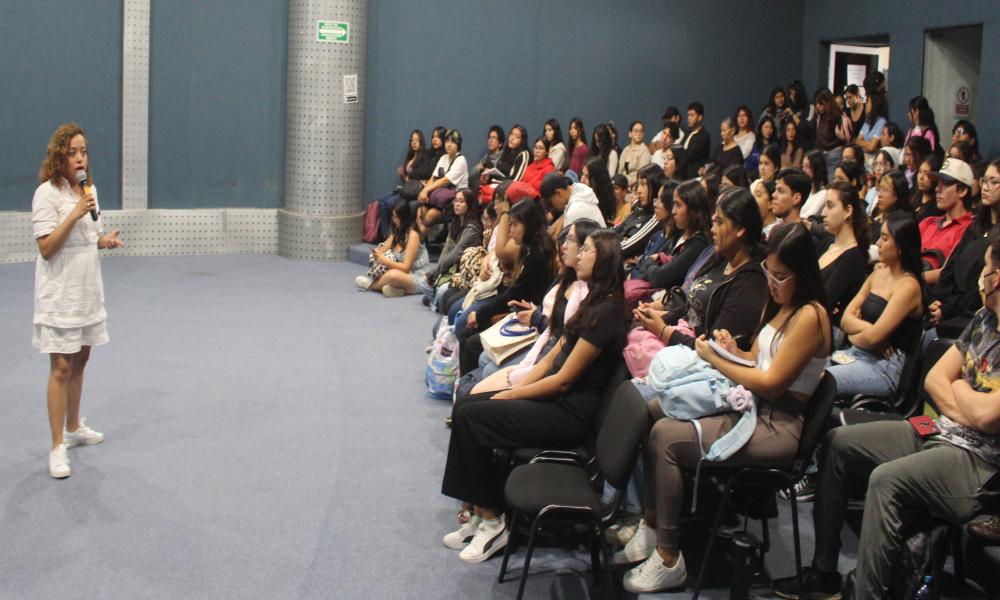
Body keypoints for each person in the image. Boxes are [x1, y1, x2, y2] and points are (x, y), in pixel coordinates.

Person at [772, 234, 1000, 599]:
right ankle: (824, 572)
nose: (981, 275)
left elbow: (988, 418)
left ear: (996, 276)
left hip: (983, 466)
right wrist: (965, 398)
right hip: (943, 430)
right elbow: (935, 379)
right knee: (838, 442)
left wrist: (958, 392)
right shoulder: (984, 319)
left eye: (986, 267)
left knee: (886, 480)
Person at [620, 223, 831, 593]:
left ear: (803, 273)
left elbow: (771, 382)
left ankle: (669, 557)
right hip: (754, 407)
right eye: (770, 272)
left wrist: (715, 360)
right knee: (653, 410)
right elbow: (758, 359)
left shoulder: (811, 316)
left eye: (781, 276)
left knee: (666, 437)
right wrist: (733, 351)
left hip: (777, 426)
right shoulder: (784, 305)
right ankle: (652, 523)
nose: (772, 282)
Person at [440, 230, 627, 563]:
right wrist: (512, 390)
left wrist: (513, 396)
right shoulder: (591, 302)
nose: (578, 254)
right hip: (555, 401)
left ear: (604, 261)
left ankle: (493, 520)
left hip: (569, 415)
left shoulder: (608, 312)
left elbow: (563, 382)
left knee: (472, 416)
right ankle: (480, 514)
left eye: (586, 250)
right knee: (466, 404)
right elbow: (554, 357)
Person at [32, 123, 125, 478]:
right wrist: (73, 212)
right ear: (59, 156)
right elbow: (46, 248)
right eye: (72, 152)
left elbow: (90, 238)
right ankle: (57, 446)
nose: (79, 158)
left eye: (83, 151)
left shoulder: (90, 189)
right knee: (61, 366)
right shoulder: (47, 194)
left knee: (82, 360)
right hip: (60, 293)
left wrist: (106, 241)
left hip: (87, 290)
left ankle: (73, 427)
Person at [471, 219, 600, 392]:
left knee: (485, 367)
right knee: (481, 357)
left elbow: (561, 341)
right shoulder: (566, 278)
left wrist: (537, 318)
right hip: (541, 334)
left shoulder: (586, 294)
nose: (563, 250)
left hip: (544, 344)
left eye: (571, 241)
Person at [634, 187, 769, 352]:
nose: (713, 230)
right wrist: (660, 318)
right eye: (714, 222)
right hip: (680, 336)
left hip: (698, 360)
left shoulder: (750, 283)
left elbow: (713, 350)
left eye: (720, 223)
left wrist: (662, 330)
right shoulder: (721, 257)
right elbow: (690, 309)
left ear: (740, 229)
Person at [828, 212, 925, 397]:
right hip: (854, 352)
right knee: (803, 372)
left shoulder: (909, 286)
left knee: (820, 382)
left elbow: (873, 338)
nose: (878, 243)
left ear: (900, 247)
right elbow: (845, 320)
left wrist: (856, 334)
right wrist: (866, 332)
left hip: (883, 366)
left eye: (885, 238)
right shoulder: (878, 273)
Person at [928, 158, 1000, 336]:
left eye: (994, 182)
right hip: (950, 307)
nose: (986, 186)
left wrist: (948, 308)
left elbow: (984, 287)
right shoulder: (975, 227)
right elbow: (950, 268)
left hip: (975, 313)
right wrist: (937, 299)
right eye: (984, 180)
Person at [632, 179, 712, 290]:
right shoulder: (678, 236)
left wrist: (650, 262)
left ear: (693, 209)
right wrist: (651, 263)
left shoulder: (698, 245)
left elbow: (659, 277)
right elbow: (644, 267)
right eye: (673, 205)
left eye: (678, 205)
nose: (673, 211)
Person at [819, 181, 869, 329]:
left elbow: (824, 302)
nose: (823, 213)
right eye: (824, 206)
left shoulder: (852, 257)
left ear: (848, 211)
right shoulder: (828, 244)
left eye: (830, 206)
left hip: (828, 331)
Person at [421, 188, 484, 305]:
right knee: (423, 282)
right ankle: (435, 299)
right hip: (451, 267)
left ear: (469, 204)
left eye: (461, 201)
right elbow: (446, 251)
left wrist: (434, 274)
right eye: (455, 201)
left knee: (441, 292)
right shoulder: (455, 223)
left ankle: (435, 300)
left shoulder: (472, 229)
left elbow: (455, 255)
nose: (457, 204)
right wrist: (435, 273)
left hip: (462, 272)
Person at [919, 158, 975, 285]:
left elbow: (949, 273)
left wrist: (910, 278)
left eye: (944, 183)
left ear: (962, 190)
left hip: (933, 293)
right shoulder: (928, 222)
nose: (937, 189)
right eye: (937, 183)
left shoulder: (969, 230)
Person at [357, 201, 430, 297]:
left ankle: (371, 285)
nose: (393, 220)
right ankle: (397, 290)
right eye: (393, 216)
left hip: (418, 276)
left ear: (404, 218)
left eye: (396, 217)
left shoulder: (413, 235)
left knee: (393, 275)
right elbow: (384, 248)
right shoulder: (397, 232)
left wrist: (385, 261)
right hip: (404, 273)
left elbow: (406, 268)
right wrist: (376, 255)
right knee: (388, 272)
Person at [376, 129, 429, 240]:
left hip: (411, 192)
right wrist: (402, 175)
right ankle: (387, 235)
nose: (414, 143)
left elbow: (420, 176)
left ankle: (392, 236)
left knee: (390, 203)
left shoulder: (424, 157)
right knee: (381, 203)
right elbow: (407, 180)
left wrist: (407, 176)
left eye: (417, 140)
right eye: (412, 140)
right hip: (406, 189)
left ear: (421, 142)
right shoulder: (410, 156)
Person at [417, 129, 468, 233]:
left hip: (455, 202)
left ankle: (414, 243)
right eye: (447, 141)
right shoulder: (443, 158)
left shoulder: (461, 160)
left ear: (458, 144)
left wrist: (426, 191)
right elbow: (433, 178)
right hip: (441, 200)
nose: (449, 145)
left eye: (453, 142)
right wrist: (423, 192)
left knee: (431, 213)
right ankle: (421, 244)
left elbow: (444, 181)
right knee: (421, 210)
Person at [617, 164, 665, 260]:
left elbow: (625, 248)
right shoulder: (640, 209)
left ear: (655, 186)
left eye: (643, 184)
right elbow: (616, 229)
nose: (638, 190)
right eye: (638, 185)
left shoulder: (656, 218)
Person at [540, 172, 606, 238]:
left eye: (551, 203)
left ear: (558, 193)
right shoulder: (578, 192)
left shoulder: (575, 210)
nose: (552, 208)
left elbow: (567, 245)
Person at [504, 136, 554, 202]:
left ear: (546, 152)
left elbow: (546, 194)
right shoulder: (530, 166)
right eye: (536, 148)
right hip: (524, 199)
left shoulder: (549, 169)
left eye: (541, 148)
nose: (537, 151)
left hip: (537, 201)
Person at [580, 156, 616, 224]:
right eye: (582, 174)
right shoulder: (581, 195)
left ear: (597, 179)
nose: (582, 180)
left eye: (587, 176)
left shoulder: (603, 204)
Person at [862, 148, 897, 216]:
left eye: (882, 164)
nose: (877, 169)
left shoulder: (893, 193)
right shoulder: (871, 191)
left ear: (893, 166)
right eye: (876, 164)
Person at [619, 120, 652, 187]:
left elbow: (641, 174)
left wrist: (624, 183)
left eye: (641, 131)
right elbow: (620, 171)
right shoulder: (626, 149)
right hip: (622, 184)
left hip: (635, 186)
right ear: (630, 134)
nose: (639, 133)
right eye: (636, 131)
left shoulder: (644, 150)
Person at [800, 149, 830, 219]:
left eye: (807, 167)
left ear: (817, 169)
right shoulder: (804, 190)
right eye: (803, 166)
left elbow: (809, 216)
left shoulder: (824, 193)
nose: (803, 170)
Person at [684, 102, 711, 178]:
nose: (689, 118)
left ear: (700, 117)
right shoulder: (687, 133)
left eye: (692, 115)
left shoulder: (703, 136)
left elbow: (690, 154)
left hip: (693, 175)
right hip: (683, 173)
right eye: (688, 115)